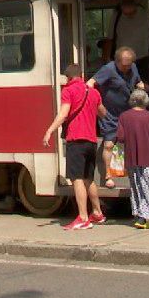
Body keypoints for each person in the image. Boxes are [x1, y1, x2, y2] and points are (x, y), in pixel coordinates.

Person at [42, 63, 103, 230]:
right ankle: (97, 212)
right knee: (89, 179)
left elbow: (63, 114)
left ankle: (83, 217)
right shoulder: (94, 92)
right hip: (91, 141)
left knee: (76, 179)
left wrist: (49, 131)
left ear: (68, 78)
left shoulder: (68, 91)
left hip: (76, 140)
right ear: (81, 75)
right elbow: (102, 112)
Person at [90, 47, 146, 189]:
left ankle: (132, 172)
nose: (127, 68)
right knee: (109, 144)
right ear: (117, 61)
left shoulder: (132, 67)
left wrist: (145, 88)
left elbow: (138, 83)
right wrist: (98, 105)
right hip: (109, 114)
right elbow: (90, 84)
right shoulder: (108, 69)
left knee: (132, 141)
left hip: (128, 112)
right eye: (124, 65)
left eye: (129, 64)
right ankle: (108, 175)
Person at [116, 89, 149, 228]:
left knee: (137, 187)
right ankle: (146, 216)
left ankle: (141, 216)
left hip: (132, 158)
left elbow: (120, 138)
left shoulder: (124, 117)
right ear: (146, 101)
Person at [103, 0, 149, 81]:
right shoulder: (117, 16)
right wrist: (107, 59)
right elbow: (110, 38)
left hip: (143, 58)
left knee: (144, 84)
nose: (129, 16)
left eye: (132, 13)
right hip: (123, 59)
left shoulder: (146, 12)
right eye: (126, 14)